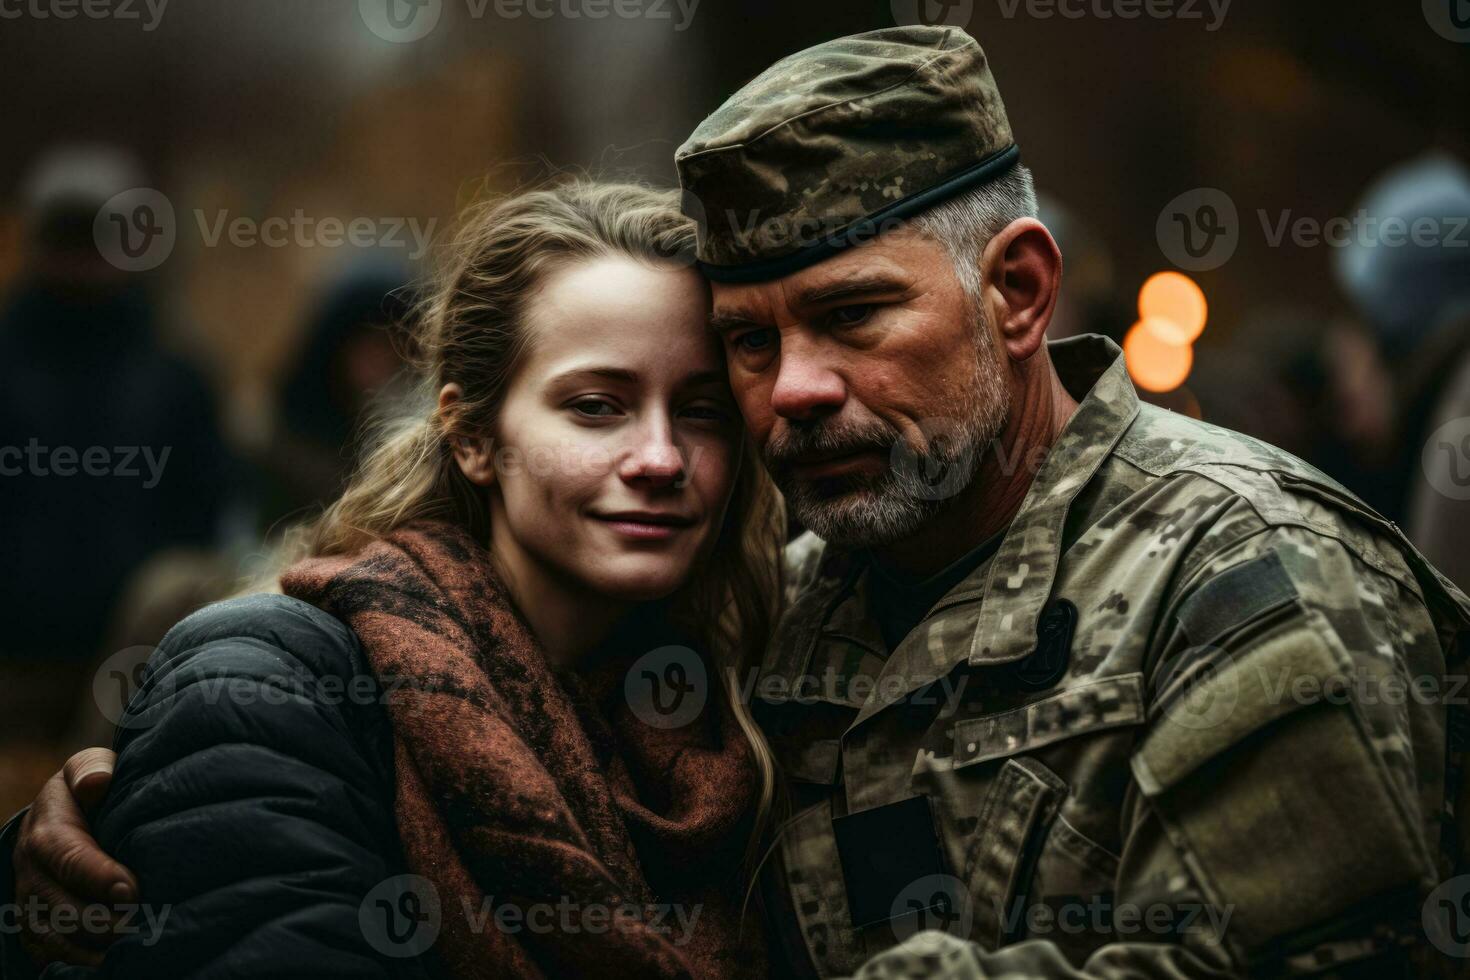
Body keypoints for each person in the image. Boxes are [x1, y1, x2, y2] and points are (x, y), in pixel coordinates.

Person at [11, 24, 1470, 979]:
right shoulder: (789, 602)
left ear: (1016, 292)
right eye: (753, 345)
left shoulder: (1241, 571)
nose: (794, 393)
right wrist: (146, 810)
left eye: (850, 318)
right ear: (469, 428)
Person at [1, 180, 783, 978]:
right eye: (595, 406)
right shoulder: (271, 690)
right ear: (473, 434)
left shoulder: (747, 710)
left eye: (703, 411)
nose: (660, 458)